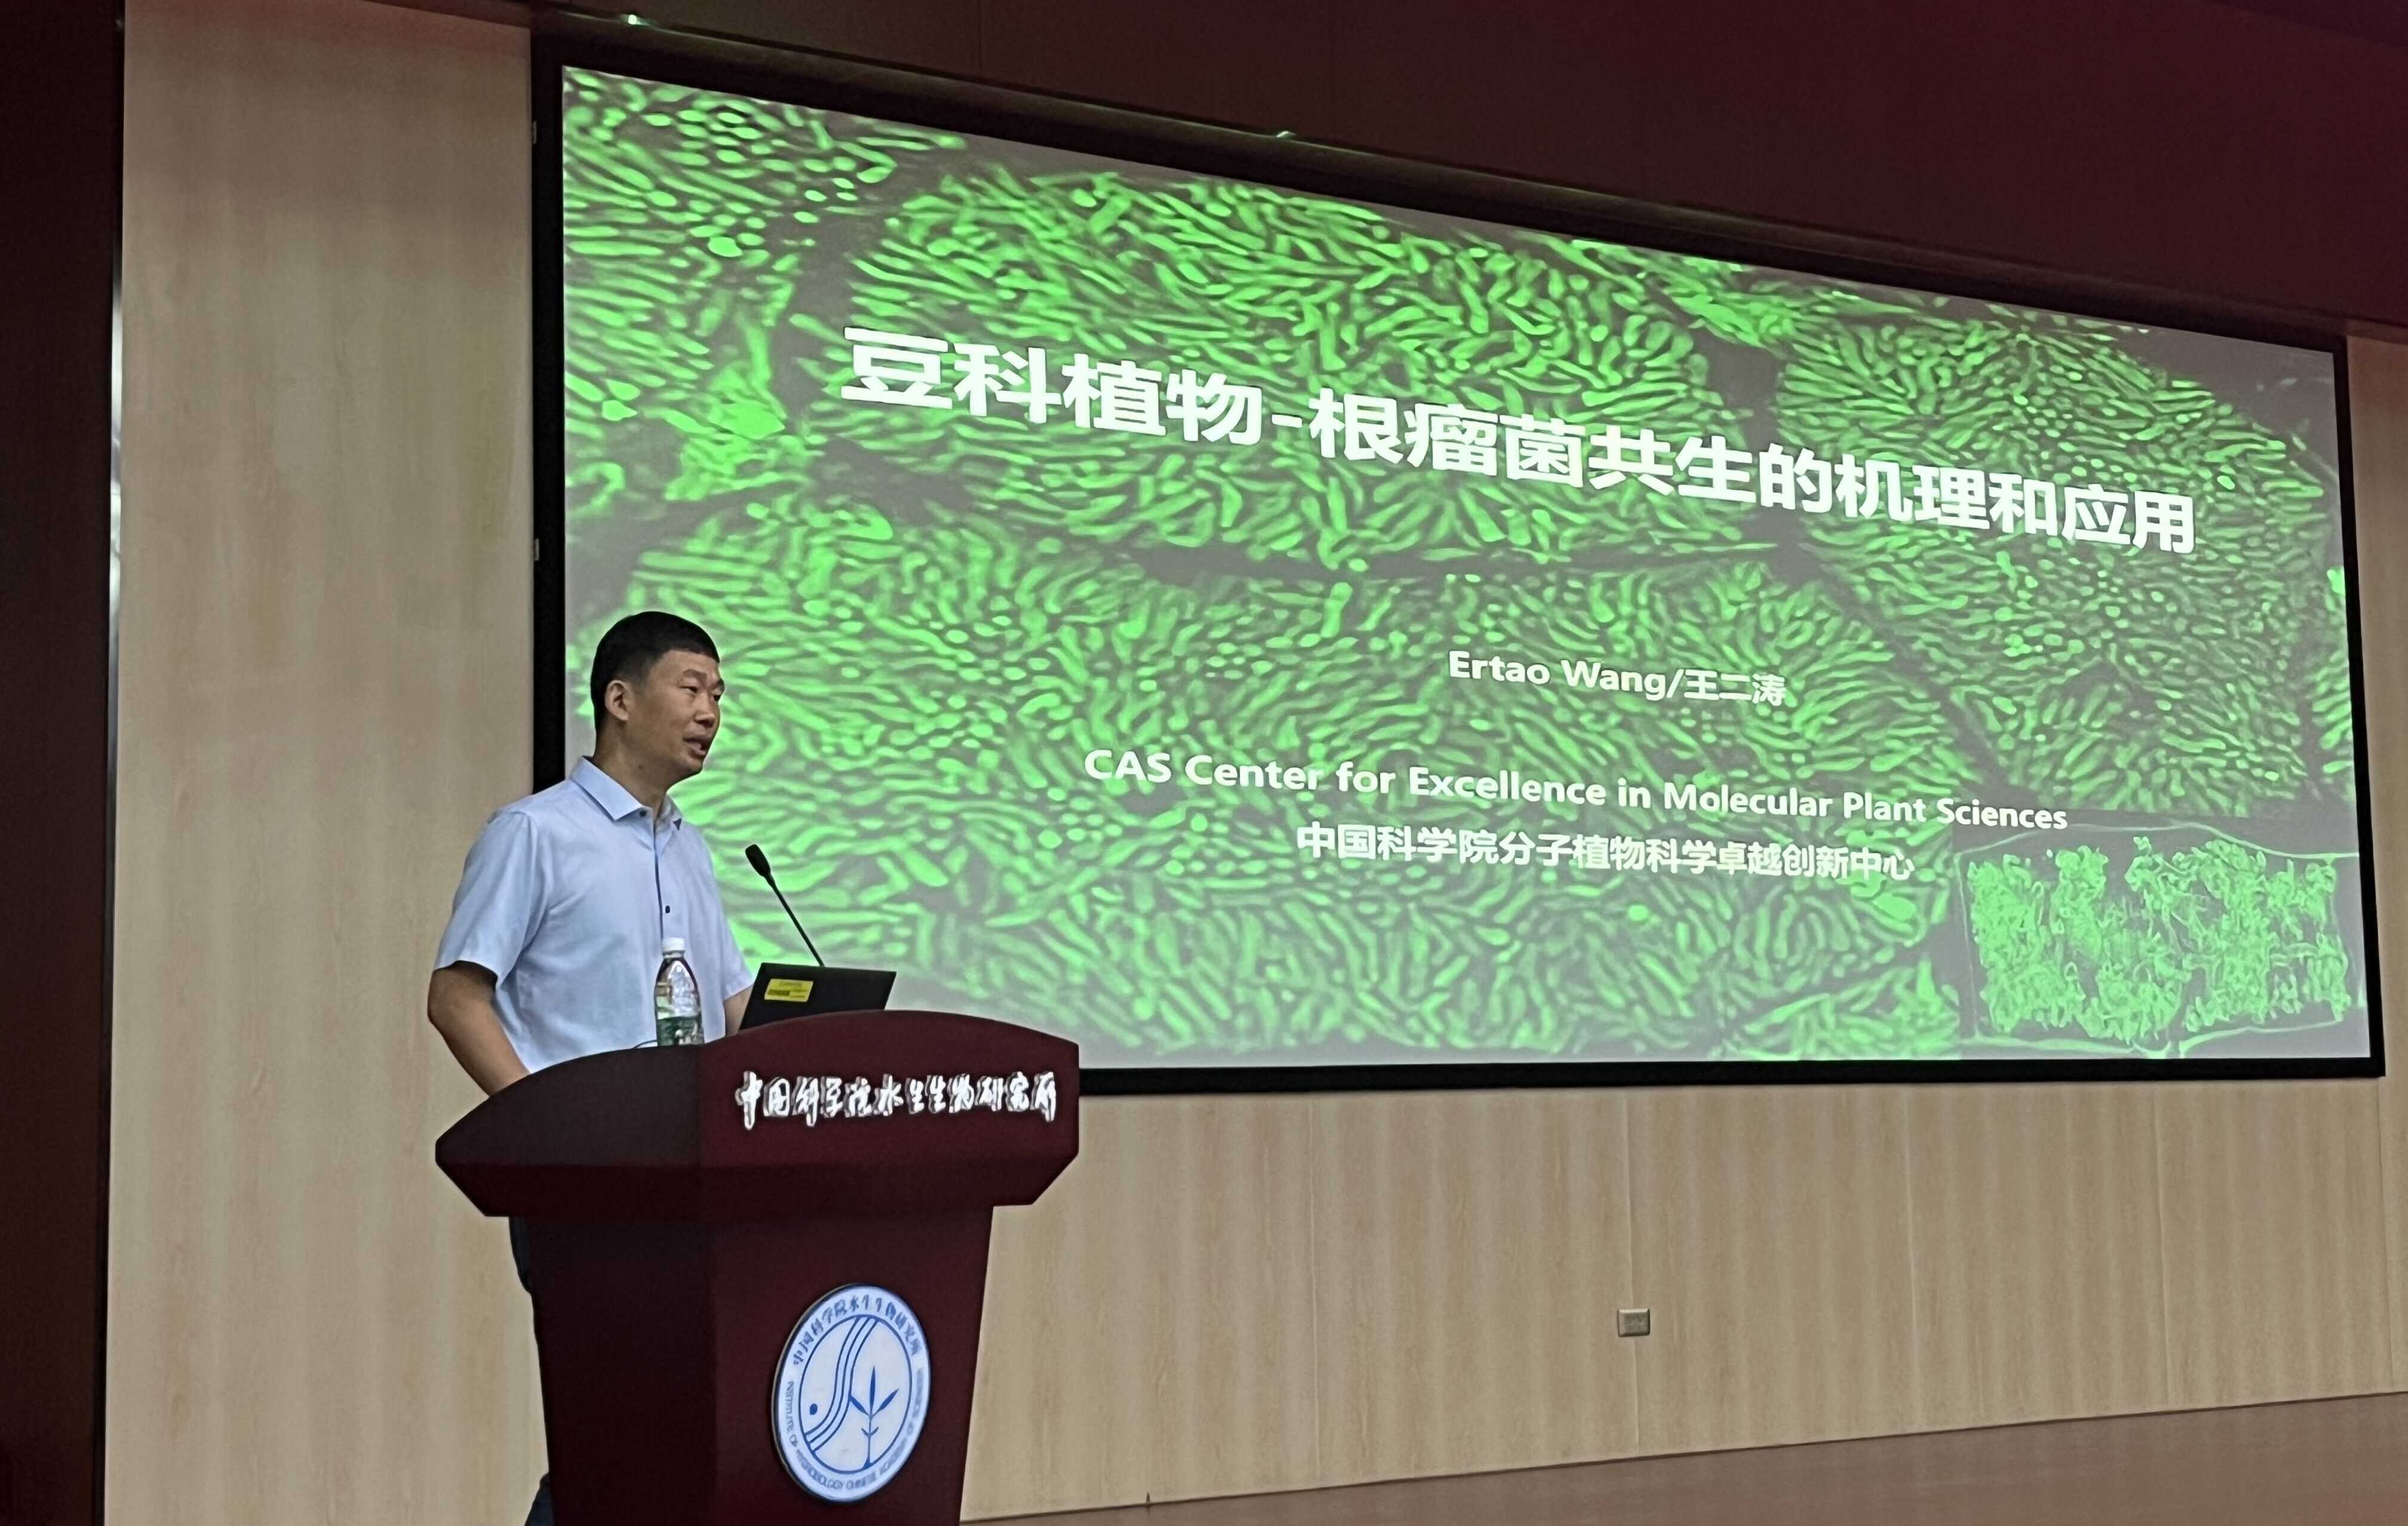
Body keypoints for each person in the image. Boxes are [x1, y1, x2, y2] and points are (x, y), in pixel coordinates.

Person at [427, 610, 753, 1526]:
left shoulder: (690, 846)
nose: (711, 711)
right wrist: (543, 1125)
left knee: (670, 1427)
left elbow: (730, 1006)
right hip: (585, 1182)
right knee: (613, 1426)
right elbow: (456, 995)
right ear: (620, 699)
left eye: (720, 694)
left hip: (689, 1175)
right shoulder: (535, 833)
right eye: (691, 687)